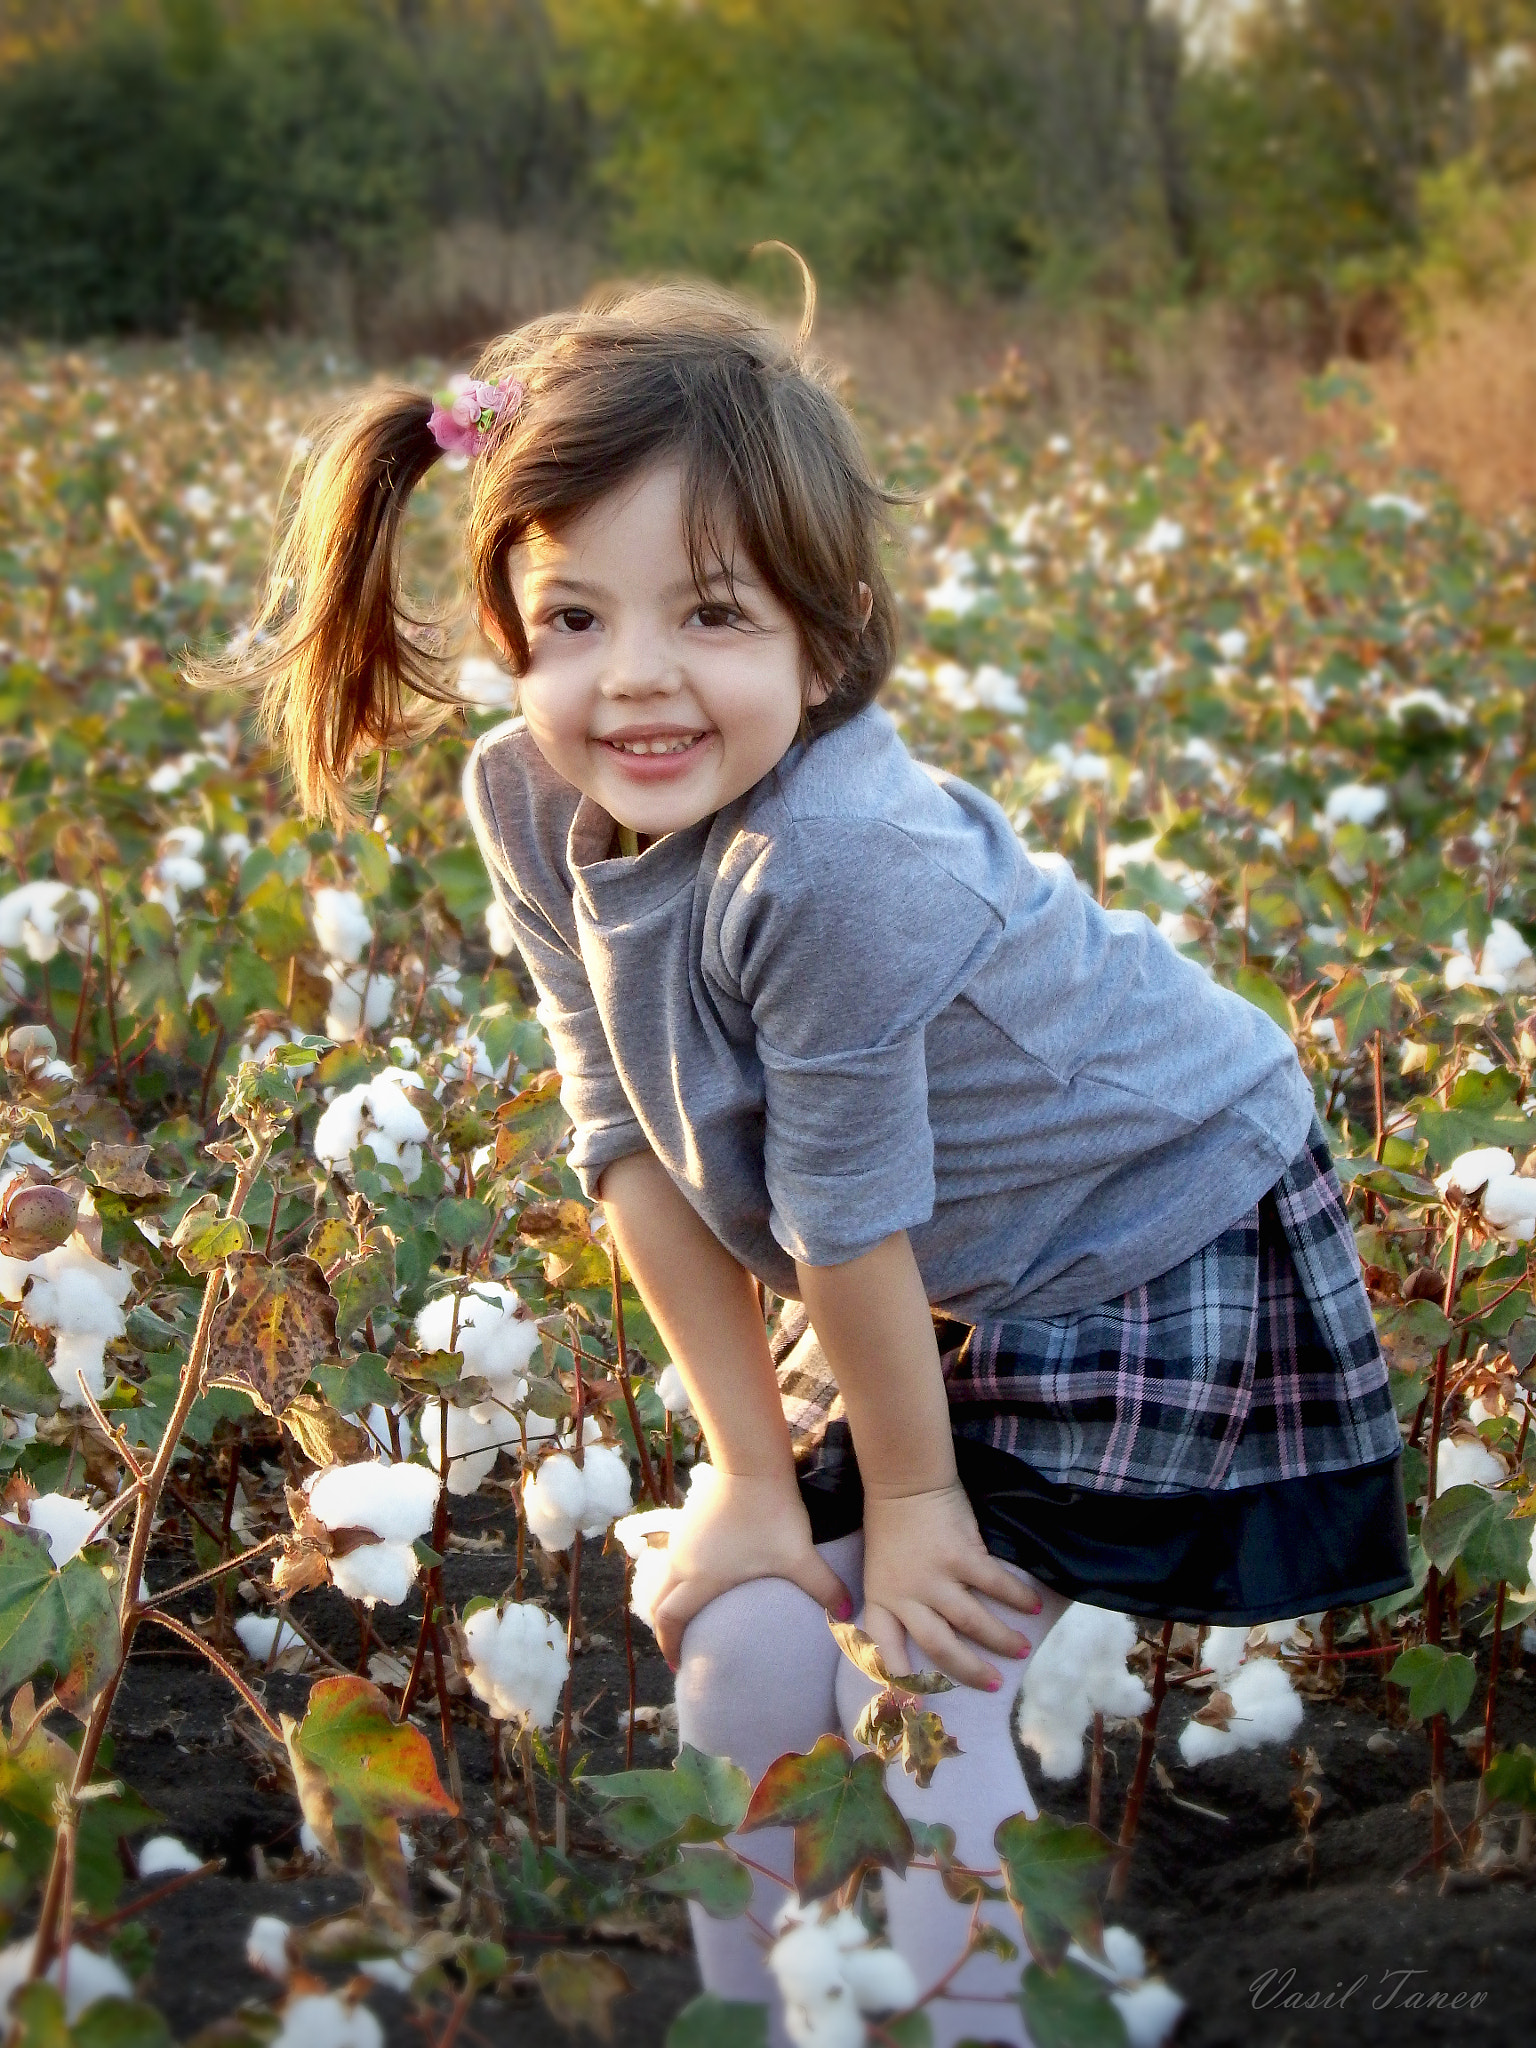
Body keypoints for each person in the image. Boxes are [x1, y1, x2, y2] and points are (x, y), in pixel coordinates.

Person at [226, 275, 1411, 2046]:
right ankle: (769, 2017)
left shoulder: (842, 861)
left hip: (1149, 1226)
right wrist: (750, 1478)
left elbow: (852, 1212)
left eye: (709, 612)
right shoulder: (531, 800)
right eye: (571, 616)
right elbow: (625, 1129)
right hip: (903, 1253)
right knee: (751, 1645)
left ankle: (977, 2017)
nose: (634, 678)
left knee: (917, 1673)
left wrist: (915, 1505)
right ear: (510, 627)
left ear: (828, 638)